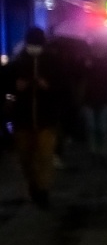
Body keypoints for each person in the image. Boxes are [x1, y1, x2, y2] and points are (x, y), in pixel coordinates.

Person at [6, 28, 68, 208]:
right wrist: (16, 86)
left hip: (45, 119)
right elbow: (6, 83)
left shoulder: (52, 62)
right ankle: (33, 184)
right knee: (25, 157)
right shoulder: (18, 62)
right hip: (23, 120)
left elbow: (62, 87)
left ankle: (43, 191)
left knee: (44, 156)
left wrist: (48, 86)